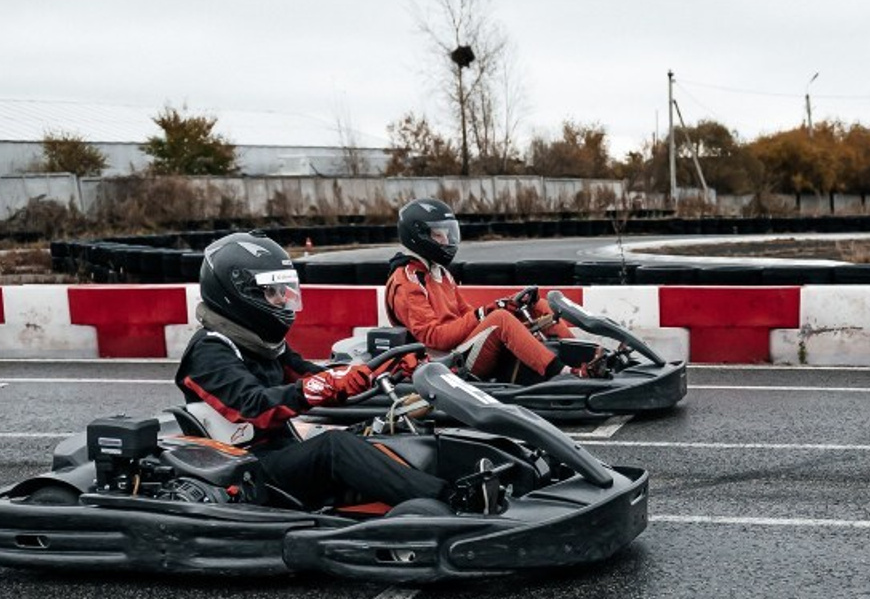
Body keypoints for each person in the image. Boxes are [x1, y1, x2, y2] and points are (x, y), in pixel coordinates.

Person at [175, 232, 505, 514]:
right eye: (270, 292)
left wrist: (376, 369)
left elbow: (309, 373)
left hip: (281, 450)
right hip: (246, 467)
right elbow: (253, 408)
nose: (280, 301)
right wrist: (320, 387)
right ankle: (452, 500)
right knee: (335, 446)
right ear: (236, 294)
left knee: (375, 427)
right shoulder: (210, 350)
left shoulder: (261, 343)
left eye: (282, 291)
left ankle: (469, 474)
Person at [384, 198, 609, 383]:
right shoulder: (407, 282)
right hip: (443, 364)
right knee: (500, 319)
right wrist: (489, 313)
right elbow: (434, 338)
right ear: (418, 235)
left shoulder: (440, 272)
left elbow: (465, 314)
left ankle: (588, 356)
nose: (446, 240)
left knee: (534, 304)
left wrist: (507, 306)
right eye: (438, 235)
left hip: (460, 347)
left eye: (446, 234)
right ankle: (567, 375)